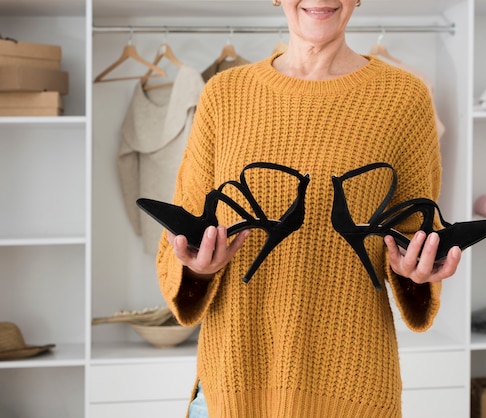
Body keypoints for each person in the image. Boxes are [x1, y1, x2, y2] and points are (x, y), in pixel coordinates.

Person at [156, 0, 462, 417]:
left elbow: (414, 232)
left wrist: (417, 272)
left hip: (353, 386)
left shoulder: (404, 99)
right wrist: (196, 266)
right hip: (236, 380)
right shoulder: (224, 96)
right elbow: (181, 233)